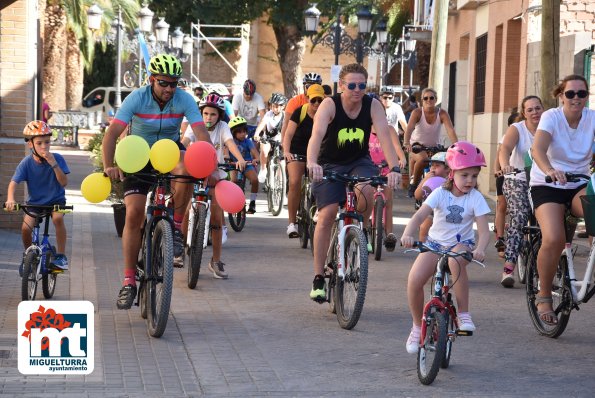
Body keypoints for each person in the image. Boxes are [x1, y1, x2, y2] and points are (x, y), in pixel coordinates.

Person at [102, 54, 211, 309]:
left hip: (168, 152)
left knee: (186, 169)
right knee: (134, 215)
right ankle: (129, 281)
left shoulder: (183, 98)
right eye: (164, 83)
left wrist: (209, 165)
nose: (169, 89)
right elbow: (111, 135)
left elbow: (201, 132)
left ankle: (174, 226)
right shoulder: (136, 98)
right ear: (152, 80)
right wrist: (109, 166)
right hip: (137, 155)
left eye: (174, 83)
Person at [307, 63, 401, 301]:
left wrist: (395, 168)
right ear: (341, 85)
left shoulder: (373, 105)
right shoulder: (329, 105)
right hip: (328, 163)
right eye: (352, 85)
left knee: (368, 190)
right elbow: (316, 135)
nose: (357, 90)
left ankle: (362, 230)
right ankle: (318, 276)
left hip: (359, 160)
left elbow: (386, 138)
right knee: (327, 215)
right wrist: (312, 163)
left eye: (362, 85)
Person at [401, 141, 490, 354]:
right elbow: (421, 215)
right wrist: (407, 234)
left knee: (455, 259)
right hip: (434, 244)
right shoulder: (440, 193)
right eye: (465, 175)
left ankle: (464, 314)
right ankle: (416, 326)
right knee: (414, 280)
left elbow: (484, 230)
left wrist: (480, 248)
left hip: (462, 245)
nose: (470, 180)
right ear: (452, 173)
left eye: (474, 176)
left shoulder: (475, 198)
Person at [529, 74, 595, 325]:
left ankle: (588, 269)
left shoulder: (592, 117)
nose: (576, 98)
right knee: (554, 238)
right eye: (570, 94)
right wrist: (549, 170)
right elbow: (538, 149)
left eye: (581, 94)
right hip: (548, 184)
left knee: (593, 214)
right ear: (561, 96)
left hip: (578, 183)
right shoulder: (551, 117)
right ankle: (543, 294)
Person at [182, 95, 247, 278]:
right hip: (194, 174)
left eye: (213, 114)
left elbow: (230, 143)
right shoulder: (194, 127)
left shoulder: (223, 128)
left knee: (217, 219)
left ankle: (216, 261)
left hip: (215, 176)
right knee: (185, 211)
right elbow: (184, 144)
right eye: (205, 113)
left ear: (219, 116)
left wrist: (240, 159)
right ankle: (181, 248)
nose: (208, 118)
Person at [5, 120, 70, 274]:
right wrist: (10, 198)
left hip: (56, 200)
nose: (44, 147)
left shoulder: (58, 158)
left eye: (47, 142)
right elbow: (14, 182)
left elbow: (64, 182)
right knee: (25, 228)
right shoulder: (26, 163)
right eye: (39, 143)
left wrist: (53, 163)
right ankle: (28, 256)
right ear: (30, 145)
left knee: (58, 219)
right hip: (34, 202)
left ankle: (61, 256)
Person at [498, 97, 543, 287]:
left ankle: (545, 269)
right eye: (530, 109)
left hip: (542, 181)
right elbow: (505, 149)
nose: (535, 112)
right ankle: (509, 267)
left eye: (538, 108)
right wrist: (505, 165)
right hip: (517, 180)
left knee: (547, 222)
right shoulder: (517, 129)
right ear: (524, 113)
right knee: (519, 216)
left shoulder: (550, 127)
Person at [283, 84, 324, 238]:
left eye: (320, 100)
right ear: (308, 99)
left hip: (317, 154)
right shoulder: (300, 111)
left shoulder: (327, 114)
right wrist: (286, 152)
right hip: (297, 151)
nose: (317, 104)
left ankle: (317, 210)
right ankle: (292, 224)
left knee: (321, 180)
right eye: (314, 100)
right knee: (294, 182)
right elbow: (288, 134)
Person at [403, 88, 458, 198]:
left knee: (443, 165)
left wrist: (457, 146)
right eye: (426, 98)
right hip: (417, 146)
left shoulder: (442, 113)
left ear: (436, 100)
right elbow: (409, 129)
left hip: (435, 148)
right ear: (422, 100)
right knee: (423, 160)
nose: (429, 100)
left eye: (431, 98)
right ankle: (414, 185)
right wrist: (406, 143)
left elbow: (450, 130)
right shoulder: (417, 112)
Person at [368, 109, 408, 251]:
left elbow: (397, 147)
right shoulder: (365, 128)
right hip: (369, 169)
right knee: (366, 200)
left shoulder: (389, 130)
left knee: (388, 201)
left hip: (386, 168)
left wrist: (402, 158)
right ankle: (366, 230)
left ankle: (389, 234)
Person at [413, 151, 450, 242]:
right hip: (430, 211)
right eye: (431, 165)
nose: (433, 168)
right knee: (424, 227)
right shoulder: (428, 179)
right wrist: (425, 180)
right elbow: (417, 195)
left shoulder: (450, 181)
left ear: (448, 169)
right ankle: (423, 249)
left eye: (437, 166)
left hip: (446, 212)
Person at [228, 116, 260, 214]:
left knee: (255, 180)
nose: (243, 134)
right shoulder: (229, 141)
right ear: (233, 132)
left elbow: (255, 153)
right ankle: (234, 201)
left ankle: (252, 202)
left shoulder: (248, 141)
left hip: (247, 164)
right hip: (234, 165)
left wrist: (256, 159)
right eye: (239, 132)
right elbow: (225, 152)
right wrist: (227, 158)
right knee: (233, 181)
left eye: (244, 131)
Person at [281, 72, 323, 142]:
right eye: (308, 86)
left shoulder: (325, 101)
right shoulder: (294, 101)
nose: (311, 89)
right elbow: (286, 124)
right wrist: (283, 143)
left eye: (315, 86)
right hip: (298, 139)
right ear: (304, 86)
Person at [255, 92, 287, 183]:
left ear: (283, 106)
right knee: (264, 151)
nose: (274, 108)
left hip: (280, 140)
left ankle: (281, 181)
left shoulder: (285, 116)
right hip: (268, 139)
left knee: (282, 161)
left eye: (277, 106)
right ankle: (263, 169)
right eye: (272, 106)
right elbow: (262, 123)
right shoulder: (269, 114)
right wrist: (257, 133)